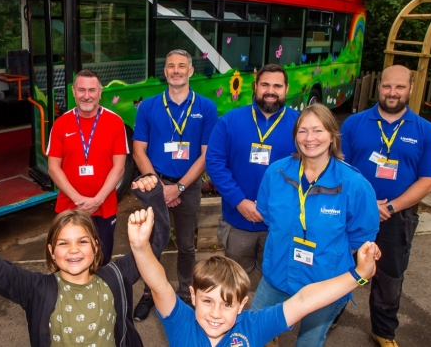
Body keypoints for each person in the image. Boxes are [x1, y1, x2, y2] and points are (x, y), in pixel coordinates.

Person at [126, 199, 382, 347]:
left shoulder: (253, 327)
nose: (215, 313)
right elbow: (159, 284)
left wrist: (359, 273)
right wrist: (140, 246)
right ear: (192, 296)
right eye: (207, 301)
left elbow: (305, 300)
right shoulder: (180, 321)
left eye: (227, 305)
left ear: (242, 305)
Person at [0, 174, 169, 347]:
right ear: (51, 251)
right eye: (63, 244)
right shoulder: (36, 289)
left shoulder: (115, 277)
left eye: (82, 241)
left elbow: (156, 241)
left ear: (96, 246)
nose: (73, 250)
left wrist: (152, 197)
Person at [252, 104, 379, 347]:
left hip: (325, 283)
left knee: (309, 342)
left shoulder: (354, 184)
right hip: (277, 275)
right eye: (303, 131)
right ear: (295, 136)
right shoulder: (275, 173)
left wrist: (327, 257)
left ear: (332, 135)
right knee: (255, 330)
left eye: (318, 131)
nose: (310, 138)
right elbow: (269, 217)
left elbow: (361, 237)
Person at [340, 65, 431, 347]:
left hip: (396, 218)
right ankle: (327, 318)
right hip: (352, 213)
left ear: (410, 89)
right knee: (338, 266)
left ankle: (383, 332)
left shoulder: (426, 131)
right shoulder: (354, 124)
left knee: (389, 277)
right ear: (379, 87)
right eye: (387, 86)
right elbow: (338, 168)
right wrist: (368, 204)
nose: (392, 92)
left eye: (399, 87)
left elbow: (428, 181)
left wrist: (391, 207)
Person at [131, 49, 218, 320]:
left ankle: (184, 293)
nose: (176, 70)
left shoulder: (205, 108)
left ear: (191, 71)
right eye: (171, 66)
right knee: (151, 243)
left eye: (182, 66)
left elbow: (206, 155)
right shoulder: (148, 106)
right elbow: (138, 151)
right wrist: (160, 188)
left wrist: (178, 187)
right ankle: (149, 293)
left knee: (186, 245)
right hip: (154, 185)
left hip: (187, 186)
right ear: (165, 71)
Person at [206, 64, 299, 279]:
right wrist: (239, 201)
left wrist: (275, 206)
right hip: (238, 221)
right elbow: (215, 163)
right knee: (235, 281)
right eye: (265, 84)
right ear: (255, 86)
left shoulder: (301, 125)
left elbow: (311, 169)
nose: (270, 91)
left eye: (277, 85)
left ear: (286, 89)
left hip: (280, 223)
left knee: (276, 281)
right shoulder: (229, 121)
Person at [47, 70, 128, 266]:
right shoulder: (60, 124)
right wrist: (77, 199)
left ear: (100, 92)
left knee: (102, 259)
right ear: (73, 91)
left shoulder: (115, 123)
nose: (86, 95)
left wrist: (98, 200)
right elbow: (53, 168)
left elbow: (119, 168)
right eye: (81, 90)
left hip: (104, 208)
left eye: (92, 90)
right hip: (69, 207)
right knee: (68, 261)